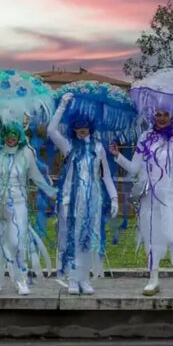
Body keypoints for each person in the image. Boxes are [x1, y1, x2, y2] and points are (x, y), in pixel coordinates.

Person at [109, 110, 173, 297]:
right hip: (150, 198)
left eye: (165, 115)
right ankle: (153, 278)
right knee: (152, 238)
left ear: (172, 117)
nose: (161, 118)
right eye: (158, 115)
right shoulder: (146, 137)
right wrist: (118, 155)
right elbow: (135, 168)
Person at [0, 121, 57, 296]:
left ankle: (20, 279)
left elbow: (37, 178)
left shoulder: (27, 153)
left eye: (14, 134)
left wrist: (55, 193)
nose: (11, 138)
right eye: (7, 134)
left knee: (17, 242)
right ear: (3, 136)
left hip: (18, 204)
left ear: (19, 136)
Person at [48, 94, 119, 294]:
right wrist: (62, 105)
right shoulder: (68, 146)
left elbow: (105, 176)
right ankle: (71, 279)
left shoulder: (98, 148)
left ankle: (84, 279)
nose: (82, 128)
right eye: (78, 125)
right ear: (73, 127)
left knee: (88, 238)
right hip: (70, 200)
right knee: (71, 237)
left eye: (85, 125)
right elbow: (51, 130)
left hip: (93, 200)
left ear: (90, 126)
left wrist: (114, 198)